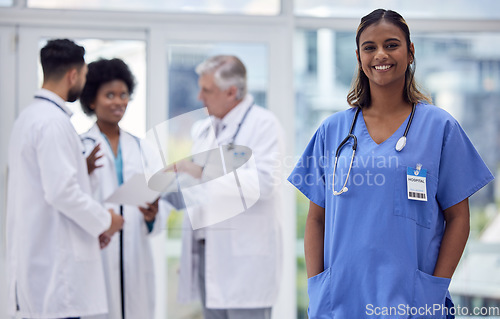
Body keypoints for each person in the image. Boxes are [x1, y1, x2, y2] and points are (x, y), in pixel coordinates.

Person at [288, 9, 494, 319]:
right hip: (340, 301)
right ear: (359, 57)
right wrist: (318, 287)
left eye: (391, 44)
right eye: (369, 47)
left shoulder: (440, 128)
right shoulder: (332, 131)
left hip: (412, 301)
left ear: (410, 52)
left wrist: (433, 289)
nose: (380, 54)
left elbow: (458, 219)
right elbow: (316, 219)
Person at [6, 39, 124, 319]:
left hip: (41, 263)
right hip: (55, 277)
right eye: (84, 76)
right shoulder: (53, 123)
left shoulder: (29, 117)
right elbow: (62, 193)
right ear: (73, 75)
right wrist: (106, 221)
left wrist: (92, 229)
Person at [174, 55, 284, 319]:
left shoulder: (263, 124)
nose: (200, 97)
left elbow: (265, 182)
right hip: (207, 251)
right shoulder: (203, 130)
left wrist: (203, 171)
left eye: (207, 90)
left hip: (246, 261)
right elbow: (197, 189)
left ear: (232, 91)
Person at [79, 58, 167, 319]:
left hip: (135, 252)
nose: (118, 101)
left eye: (123, 94)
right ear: (92, 101)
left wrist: (152, 216)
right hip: (97, 251)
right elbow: (69, 197)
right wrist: (82, 170)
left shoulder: (142, 148)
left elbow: (156, 204)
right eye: (109, 95)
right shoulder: (80, 146)